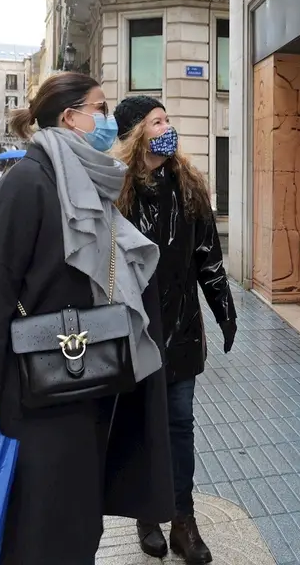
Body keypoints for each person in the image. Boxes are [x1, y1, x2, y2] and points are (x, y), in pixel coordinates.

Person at [0, 73, 174, 563]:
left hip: (83, 375)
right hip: (34, 385)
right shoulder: (26, 183)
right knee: (40, 517)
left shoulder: (86, 180)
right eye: (100, 108)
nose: (108, 119)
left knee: (77, 514)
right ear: (70, 117)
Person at [113, 96, 236, 564]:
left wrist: (224, 310)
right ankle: (147, 513)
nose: (167, 128)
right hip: (134, 329)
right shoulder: (116, 190)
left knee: (180, 424)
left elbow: (208, 256)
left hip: (181, 328)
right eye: (156, 122)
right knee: (143, 424)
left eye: (167, 119)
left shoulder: (188, 185)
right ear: (135, 134)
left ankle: (184, 521)